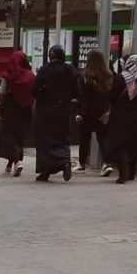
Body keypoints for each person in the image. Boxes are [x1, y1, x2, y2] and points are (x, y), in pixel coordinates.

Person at [32, 45, 79, 182]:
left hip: (45, 112)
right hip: (63, 110)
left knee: (44, 141)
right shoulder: (70, 70)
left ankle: (45, 170)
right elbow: (77, 90)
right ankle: (64, 161)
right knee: (62, 138)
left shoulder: (44, 70)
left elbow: (34, 90)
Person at [107, 54, 137, 184]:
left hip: (121, 115)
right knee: (134, 143)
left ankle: (123, 170)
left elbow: (112, 96)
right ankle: (131, 172)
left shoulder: (121, 77)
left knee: (120, 143)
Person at [0, 49, 34, 177]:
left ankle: (17, 162)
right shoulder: (30, 75)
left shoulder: (8, 75)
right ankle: (11, 163)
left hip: (10, 108)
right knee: (19, 135)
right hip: (25, 109)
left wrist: (0, 105)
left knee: (9, 135)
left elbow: (1, 93)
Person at [74, 48, 113, 175]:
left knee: (84, 138)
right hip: (102, 112)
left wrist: (80, 113)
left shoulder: (85, 76)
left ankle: (81, 163)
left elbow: (83, 96)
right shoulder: (109, 75)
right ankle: (107, 163)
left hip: (87, 112)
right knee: (103, 138)